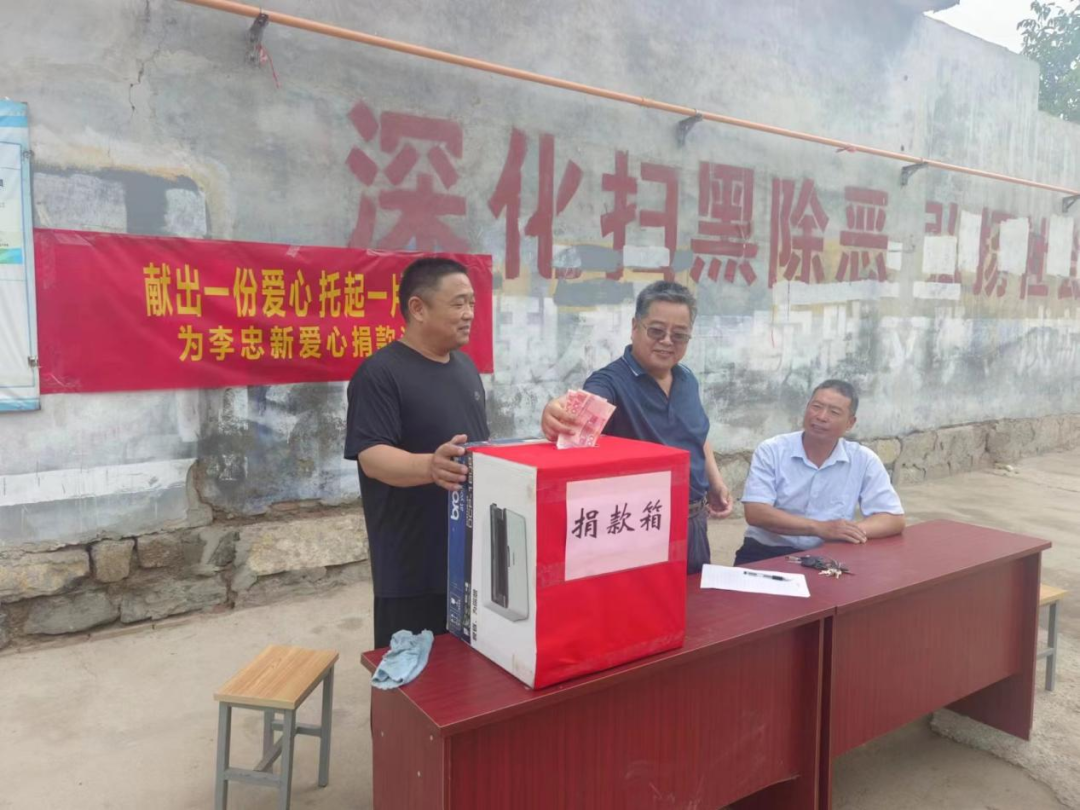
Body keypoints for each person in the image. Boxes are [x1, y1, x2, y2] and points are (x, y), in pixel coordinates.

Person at [344, 257, 489, 649]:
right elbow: (371, 456)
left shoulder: (465, 368)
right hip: (411, 568)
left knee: (466, 671)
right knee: (410, 673)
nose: (469, 314)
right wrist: (430, 466)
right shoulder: (380, 374)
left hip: (466, 556)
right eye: (458, 303)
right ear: (418, 308)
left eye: (472, 303)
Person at [541, 280, 733, 574]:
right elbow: (581, 407)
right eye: (656, 331)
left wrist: (715, 482)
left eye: (679, 335)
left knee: (696, 598)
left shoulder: (687, 379)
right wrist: (556, 410)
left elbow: (697, 436)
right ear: (635, 327)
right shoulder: (611, 382)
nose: (667, 341)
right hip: (644, 527)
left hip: (695, 521)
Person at [736, 379, 905, 565]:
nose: (821, 417)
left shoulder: (863, 460)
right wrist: (820, 528)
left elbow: (892, 518)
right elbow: (756, 512)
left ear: (850, 423)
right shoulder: (772, 450)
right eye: (816, 407)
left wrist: (847, 532)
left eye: (834, 412)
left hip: (828, 554)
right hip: (766, 551)